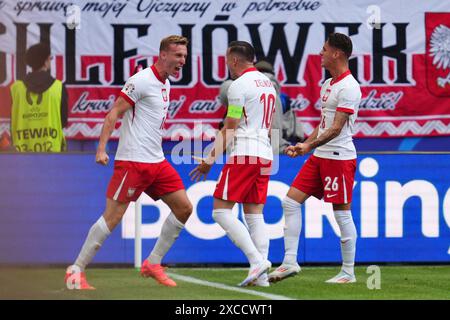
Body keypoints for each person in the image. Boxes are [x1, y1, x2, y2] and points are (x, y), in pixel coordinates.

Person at [65, 35, 193, 289]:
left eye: (185, 57)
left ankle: (153, 262)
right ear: (163, 55)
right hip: (133, 161)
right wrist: (101, 149)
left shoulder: (166, 84)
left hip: (157, 161)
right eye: (178, 56)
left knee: (184, 208)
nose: (182, 61)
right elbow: (114, 112)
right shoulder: (141, 81)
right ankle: (75, 270)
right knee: (112, 218)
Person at [268, 33, 361, 284]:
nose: (320, 54)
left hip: (338, 157)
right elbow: (323, 125)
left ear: (337, 53)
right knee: (289, 202)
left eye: (324, 49)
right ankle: (289, 262)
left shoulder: (349, 87)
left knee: (341, 213)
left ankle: (348, 272)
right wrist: (304, 145)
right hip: (319, 156)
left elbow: (337, 128)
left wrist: (308, 146)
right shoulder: (328, 84)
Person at [189, 41, 276, 287]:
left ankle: (256, 262)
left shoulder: (238, 86)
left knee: (220, 211)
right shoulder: (268, 84)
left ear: (235, 60)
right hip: (264, 153)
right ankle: (262, 278)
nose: (227, 65)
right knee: (254, 214)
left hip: (245, 154)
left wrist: (209, 160)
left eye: (227, 60)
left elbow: (230, 128)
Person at [10, 43, 68, 152]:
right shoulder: (59, 87)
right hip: (52, 152)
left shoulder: (16, 88)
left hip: (21, 152)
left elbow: (12, 118)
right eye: (50, 59)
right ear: (46, 61)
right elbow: (63, 121)